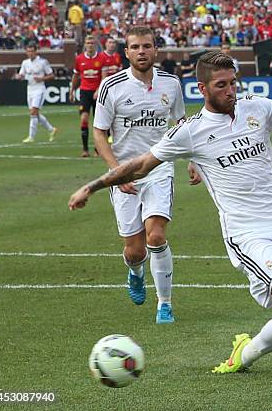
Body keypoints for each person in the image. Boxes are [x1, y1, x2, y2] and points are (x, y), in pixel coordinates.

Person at [69, 51, 272, 393]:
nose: (230, 91)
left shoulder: (257, 108)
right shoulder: (189, 132)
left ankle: (243, 354)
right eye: (221, 85)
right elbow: (140, 164)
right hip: (246, 232)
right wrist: (93, 186)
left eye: (233, 83)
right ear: (202, 88)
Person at [93, 26, 185, 323]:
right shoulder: (111, 86)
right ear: (127, 52)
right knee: (134, 251)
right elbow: (99, 133)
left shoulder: (171, 84)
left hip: (159, 168)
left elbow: (183, 125)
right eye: (135, 47)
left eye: (147, 46)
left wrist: (193, 160)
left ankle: (165, 304)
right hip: (125, 176)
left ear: (155, 50)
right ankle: (135, 271)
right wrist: (116, 173)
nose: (142, 51)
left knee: (156, 236)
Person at [15, 44, 58, 143]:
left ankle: (31, 137)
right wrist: (19, 77)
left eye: (32, 51)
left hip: (39, 89)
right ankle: (52, 129)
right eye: (28, 51)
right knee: (35, 114)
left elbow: (51, 75)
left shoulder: (43, 62)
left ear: (36, 51)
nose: (30, 53)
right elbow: (21, 75)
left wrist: (42, 78)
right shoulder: (25, 63)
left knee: (33, 112)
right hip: (30, 89)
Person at [70, 36, 103, 157]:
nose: (90, 45)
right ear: (85, 45)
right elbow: (76, 75)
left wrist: (99, 89)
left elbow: (104, 76)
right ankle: (85, 149)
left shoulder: (101, 57)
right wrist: (72, 90)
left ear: (95, 45)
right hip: (84, 92)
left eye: (92, 43)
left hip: (98, 93)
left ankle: (98, 148)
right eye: (88, 43)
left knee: (98, 122)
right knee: (84, 118)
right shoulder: (79, 59)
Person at [99, 36, 123, 144]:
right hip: (105, 89)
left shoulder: (117, 56)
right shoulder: (101, 56)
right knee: (105, 113)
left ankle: (113, 135)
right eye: (110, 42)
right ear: (106, 44)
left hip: (117, 89)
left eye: (114, 42)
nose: (112, 44)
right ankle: (105, 136)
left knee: (116, 113)